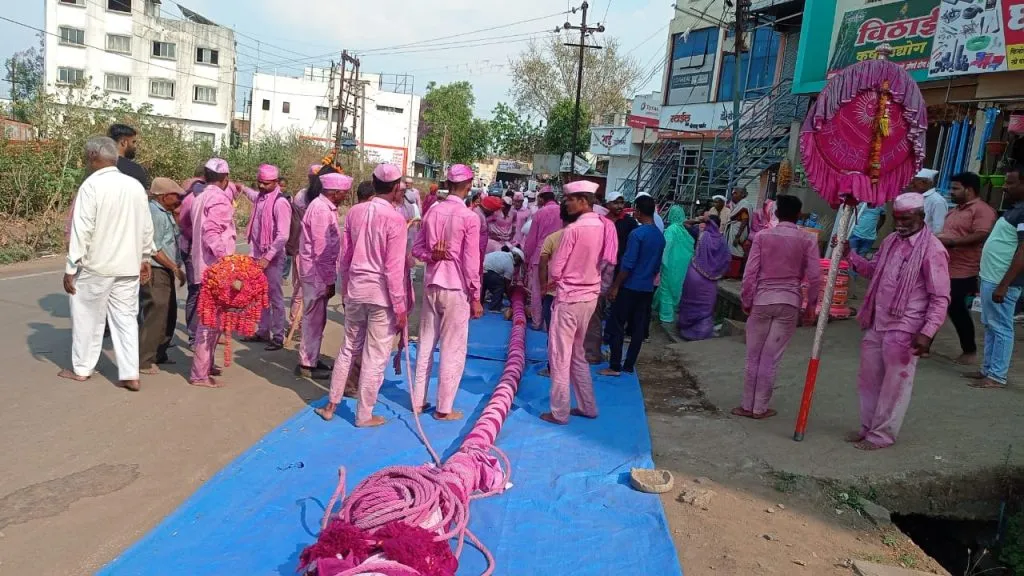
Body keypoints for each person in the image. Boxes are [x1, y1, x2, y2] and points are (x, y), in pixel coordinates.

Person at [839, 192, 950, 450]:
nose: (900, 224)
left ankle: (881, 435)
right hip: (878, 322)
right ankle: (867, 428)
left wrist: (928, 332)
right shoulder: (890, 241)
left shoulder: (933, 249)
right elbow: (873, 271)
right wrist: (850, 255)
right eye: (896, 218)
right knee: (868, 380)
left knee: (895, 385)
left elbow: (940, 297)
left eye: (906, 219)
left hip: (906, 327)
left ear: (921, 216)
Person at [317, 163, 408, 427]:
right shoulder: (395, 219)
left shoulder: (355, 213)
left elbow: (345, 258)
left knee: (348, 348)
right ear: (395, 188)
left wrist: (346, 290)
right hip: (380, 295)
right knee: (375, 355)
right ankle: (364, 414)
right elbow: (393, 268)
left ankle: (331, 405)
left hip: (356, 290)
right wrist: (400, 306)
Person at [61, 136, 154, 391]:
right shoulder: (134, 186)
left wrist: (71, 268)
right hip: (128, 266)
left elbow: (82, 230)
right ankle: (130, 374)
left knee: (87, 318)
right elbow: (146, 226)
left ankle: (82, 369)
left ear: (93, 156)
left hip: (97, 267)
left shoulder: (91, 186)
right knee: (126, 320)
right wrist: (145, 257)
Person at [735, 195, 821, 419]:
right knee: (770, 358)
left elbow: (750, 274)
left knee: (753, 356)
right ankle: (760, 408)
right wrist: (811, 307)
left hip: (762, 300)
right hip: (789, 301)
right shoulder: (807, 239)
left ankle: (747, 405)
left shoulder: (763, 237)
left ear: (777, 213)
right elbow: (815, 277)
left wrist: (747, 300)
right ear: (798, 215)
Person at [410, 164, 484, 421]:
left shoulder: (433, 211)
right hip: (456, 287)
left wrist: (432, 256)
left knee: (426, 345)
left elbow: (416, 249)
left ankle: (418, 401)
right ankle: (444, 408)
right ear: (468, 185)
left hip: (433, 284)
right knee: (453, 349)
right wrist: (476, 296)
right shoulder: (469, 217)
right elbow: (471, 262)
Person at [541, 180, 617, 425]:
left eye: (570, 200)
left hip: (569, 298)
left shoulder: (573, 230)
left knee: (560, 356)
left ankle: (559, 412)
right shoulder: (605, 227)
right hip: (590, 297)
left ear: (583, 201)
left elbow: (556, 269)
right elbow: (607, 264)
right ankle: (588, 406)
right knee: (577, 354)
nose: (566, 204)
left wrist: (553, 282)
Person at [966, 165, 1024, 389]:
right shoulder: (1014, 209)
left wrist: (1004, 285)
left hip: (1002, 281)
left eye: (1010, 183)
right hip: (992, 278)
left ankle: (997, 375)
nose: (1005, 187)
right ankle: (987, 369)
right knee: (991, 325)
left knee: (1000, 328)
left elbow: (1022, 251)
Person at [600, 194, 665, 377]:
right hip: (647, 287)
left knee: (617, 324)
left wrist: (615, 286)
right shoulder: (659, 237)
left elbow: (628, 264)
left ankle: (614, 365)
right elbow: (656, 265)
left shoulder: (637, 234)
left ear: (638, 211)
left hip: (630, 285)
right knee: (638, 327)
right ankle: (629, 365)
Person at [295, 173, 352, 379]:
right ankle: (307, 363)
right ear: (335, 193)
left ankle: (312, 357)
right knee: (313, 319)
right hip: (316, 273)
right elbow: (321, 249)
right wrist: (329, 280)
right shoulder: (320, 210)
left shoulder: (324, 207)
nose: (345, 197)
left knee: (318, 319)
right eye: (344, 193)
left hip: (317, 272)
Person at [937, 172, 996, 365]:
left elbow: (981, 235)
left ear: (969, 190)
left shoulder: (982, 210)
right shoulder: (955, 211)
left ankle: (969, 351)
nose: (951, 192)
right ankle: (924, 345)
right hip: (944, 266)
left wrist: (952, 242)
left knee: (956, 307)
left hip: (965, 269)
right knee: (935, 304)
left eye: (955, 188)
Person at [188, 158, 237, 388]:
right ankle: (199, 374)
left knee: (213, 321)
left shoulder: (200, 197)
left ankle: (205, 365)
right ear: (225, 178)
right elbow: (211, 232)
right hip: (215, 268)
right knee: (209, 322)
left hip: (204, 265)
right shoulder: (218, 199)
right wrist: (226, 262)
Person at [235, 164, 292, 350]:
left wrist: (267, 257)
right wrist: (243, 188)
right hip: (257, 253)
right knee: (260, 295)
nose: (261, 186)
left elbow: (283, 235)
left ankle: (278, 335)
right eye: (259, 182)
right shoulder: (261, 197)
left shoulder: (280, 203)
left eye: (265, 183)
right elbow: (253, 195)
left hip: (272, 257)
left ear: (275, 182)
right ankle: (263, 330)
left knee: (275, 297)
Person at [139, 178, 186, 375]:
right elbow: (155, 248)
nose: (179, 200)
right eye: (176, 196)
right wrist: (174, 268)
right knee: (156, 314)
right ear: (164, 196)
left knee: (168, 313)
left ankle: (159, 353)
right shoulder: (155, 214)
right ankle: (144, 360)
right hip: (156, 269)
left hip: (164, 268)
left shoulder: (164, 212)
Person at [678, 216, 731, 341]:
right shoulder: (722, 241)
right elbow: (727, 259)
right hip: (710, 281)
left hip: (694, 274)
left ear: (707, 224)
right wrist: (718, 271)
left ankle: (685, 327)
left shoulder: (702, 234)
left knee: (689, 301)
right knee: (705, 308)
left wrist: (699, 220)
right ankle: (701, 332)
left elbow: (685, 224)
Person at [289, 163, 324, 330]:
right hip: (302, 249)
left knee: (314, 291)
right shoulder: (302, 196)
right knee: (300, 288)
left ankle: (305, 324)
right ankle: (294, 323)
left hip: (319, 251)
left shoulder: (323, 197)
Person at [177, 165, 208, 347]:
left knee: (200, 291)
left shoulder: (192, 193)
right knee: (196, 291)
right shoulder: (193, 197)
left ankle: (200, 332)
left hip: (195, 248)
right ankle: (193, 334)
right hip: (191, 249)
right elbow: (185, 224)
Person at [523, 186, 561, 329]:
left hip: (540, 255)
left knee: (537, 291)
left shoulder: (540, 213)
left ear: (541, 198)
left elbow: (531, 239)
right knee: (554, 291)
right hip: (558, 255)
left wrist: (527, 257)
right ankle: (550, 325)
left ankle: (537, 322)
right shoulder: (563, 211)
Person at [538, 203, 576, 334]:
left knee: (552, 331)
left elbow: (542, 265)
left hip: (553, 291)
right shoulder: (585, 238)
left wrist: (543, 287)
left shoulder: (552, 238)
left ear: (562, 217)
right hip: (575, 293)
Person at [653, 205, 695, 323]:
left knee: (666, 289)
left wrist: (662, 263)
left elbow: (666, 248)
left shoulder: (671, 230)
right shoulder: (684, 231)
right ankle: (662, 308)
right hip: (681, 267)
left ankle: (666, 316)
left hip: (669, 265)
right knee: (676, 288)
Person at [108, 123, 151, 189]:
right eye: (133, 142)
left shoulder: (98, 165)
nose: (135, 146)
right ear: (123, 142)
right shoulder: (135, 170)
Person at [724, 187, 753, 279]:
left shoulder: (745, 204)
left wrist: (737, 236)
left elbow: (744, 220)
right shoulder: (737, 205)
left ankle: (735, 274)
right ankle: (730, 273)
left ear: (742, 195)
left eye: (736, 193)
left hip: (738, 232)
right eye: (733, 193)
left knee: (736, 252)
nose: (733, 195)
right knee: (730, 252)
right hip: (733, 230)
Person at [912, 168, 946, 234]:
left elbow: (939, 228)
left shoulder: (937, 201)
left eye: (915, 182)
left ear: (925, 182)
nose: (912, 185)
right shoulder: (916, 197)